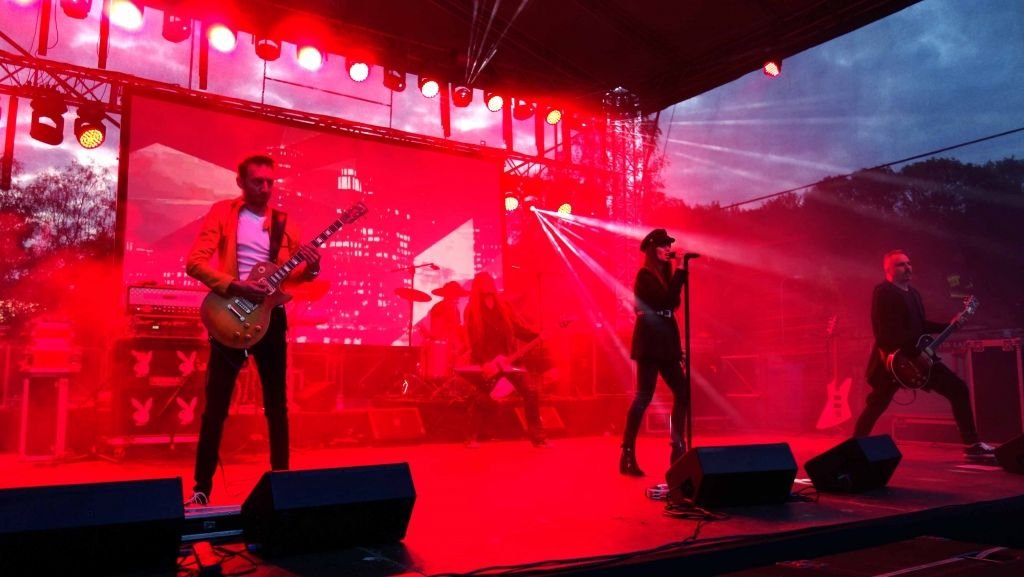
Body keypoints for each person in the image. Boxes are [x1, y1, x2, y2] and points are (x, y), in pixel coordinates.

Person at [184, 155, 321, 505]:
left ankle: (283, 484)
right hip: (230, 313)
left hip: (270, 319)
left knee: (277, 405)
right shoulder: (223, 214)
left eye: (270, 182)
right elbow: (194, 263)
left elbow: (292, 279)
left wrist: (312, 269)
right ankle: (201, 489)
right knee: (216, 407)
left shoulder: (285, 223)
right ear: (241, 182)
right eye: (257, 181)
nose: (265, 188)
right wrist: (236, 285)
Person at [852, 250, 994, 461]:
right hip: (892, 361)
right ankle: (854, 450)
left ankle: (972, 446)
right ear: (888, 270)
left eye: (909, 263)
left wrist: (949, 325)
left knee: (958, 389)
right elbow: (884, 333)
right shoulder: (883, 292)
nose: (908, 268)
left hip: (919, 358)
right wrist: (912, 353)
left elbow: (920, 325)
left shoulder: (914, 294)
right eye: (901, 264)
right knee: (877, 404)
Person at [620, 228, 688, 477]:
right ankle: (627, 452)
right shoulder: (644, 275)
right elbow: (665, 300)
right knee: (643, 397)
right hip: (650, 342)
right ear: (652, 249)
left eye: (669, 245)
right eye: (663, 245)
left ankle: (677, 447)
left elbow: (673, 303)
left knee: (683, 391)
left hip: (666, 342)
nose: (669, 249)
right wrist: (680, 270)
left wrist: (675, 272)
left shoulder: (664, 274)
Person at [463, 272, 548, 448]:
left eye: (489, 281)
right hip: (488, 361)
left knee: (530, 392)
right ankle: (471, 437)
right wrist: (484, 363)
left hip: (510, 360)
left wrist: (536, 336)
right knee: (481, 396)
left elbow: (516, 328)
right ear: (478, 286)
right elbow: (474, 340)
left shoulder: (504, 306)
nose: (487, 284)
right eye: (483, 282)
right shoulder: (472, 310)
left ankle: (538, 437)